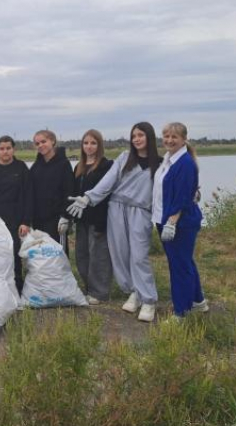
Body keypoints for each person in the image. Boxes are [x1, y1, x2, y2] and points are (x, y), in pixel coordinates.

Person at [67, 122, 161, 322]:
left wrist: (191, 194)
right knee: (120, 254)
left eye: (141, 135)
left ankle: (149, 300)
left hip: (141, 211)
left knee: (139, 256)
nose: (136, 139)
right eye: (134, 135)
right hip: (117, 209)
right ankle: (134, 291)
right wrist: (88, 198)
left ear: (149, 138)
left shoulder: (160, 164)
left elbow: (169, 187)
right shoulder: (124, 158)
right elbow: (107, 182)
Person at [153, 122, 208, 317]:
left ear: (184, 139)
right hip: (163, 218)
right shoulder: (169, 159)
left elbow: (183, 197)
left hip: (179, 224)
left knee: (179, 267)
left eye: (174, 137)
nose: (169, 140)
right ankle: (198, 301)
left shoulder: (185, 163)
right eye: (166, 136)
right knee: (184, 262)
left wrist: (172, 222)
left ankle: (181, 313)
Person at [0, 135, 33, 291]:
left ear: (13, 149)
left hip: (16, 220)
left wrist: (25, 221)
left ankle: (17, 287)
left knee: (15, 254)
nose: (5, 152)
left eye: (8, 148)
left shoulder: (21, 167)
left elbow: (29, 195)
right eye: (2, 149)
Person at [70, 130, 114, 305]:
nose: (89, 146)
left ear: (99, 145)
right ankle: (88, 287)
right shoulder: (79, 167)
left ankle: (100, 292)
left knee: (99, 257)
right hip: (81, 219)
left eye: (93, 143)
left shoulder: (106, 166)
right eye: (86, 143)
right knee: (81, 255)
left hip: (98, 219)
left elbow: (107, 193)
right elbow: (74, 193)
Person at [29, 130, 75, 246]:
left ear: (53, 141)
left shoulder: (64, 164)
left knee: (56, 256)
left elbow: (69, 191)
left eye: (43, 141)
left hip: (57, 220)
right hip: (38, 220)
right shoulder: (36, 166)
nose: (40, 145)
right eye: (37, 143)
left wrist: (66, 216)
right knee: (41, 256)